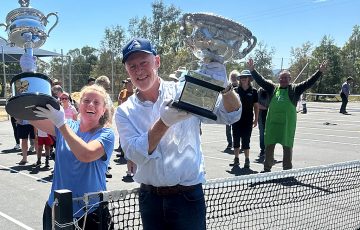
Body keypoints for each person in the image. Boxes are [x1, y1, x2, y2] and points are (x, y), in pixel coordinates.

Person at [115, 37, 241, 230]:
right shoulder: (125, 111)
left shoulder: (183, 92)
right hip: (151, 200)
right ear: (127, 70)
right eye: (132, 66)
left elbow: (230, 114)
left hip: (188, 198)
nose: (139, 71)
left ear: (157, 62)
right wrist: (164, 122)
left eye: (144, 63)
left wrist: (225, 88)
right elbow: (134, 154)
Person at [28, 84, 115, 230]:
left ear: (103, 109)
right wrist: (28, 89)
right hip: (56, 208)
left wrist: (61, 123)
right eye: (86, 101)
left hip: (90, 213)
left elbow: (85, 154)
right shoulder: (68, 126)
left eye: (96, 102)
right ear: (79, 105)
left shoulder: (106, 134)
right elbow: (31, 115)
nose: (91, 105)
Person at [247, 58, 328, 172]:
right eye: (281, 78)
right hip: (272, 123)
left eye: (286, 78)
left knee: (287, 146)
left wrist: (319, 72)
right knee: (269, 145)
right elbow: (261, 81)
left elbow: (309, 82)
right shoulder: (273, 88)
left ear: (290, 79)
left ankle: (287, 169)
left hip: (287, 124)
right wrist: (252, 70)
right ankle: (267, 168)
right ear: (278, 79)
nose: (283, 79)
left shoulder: (295, 89)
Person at [230, 70, 259, 168]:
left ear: (249, 79)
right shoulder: (235, 90)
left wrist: (256, 119)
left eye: (245, 77)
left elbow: (256, 106)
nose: (243, 79)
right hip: (236, 120)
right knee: (236, 139)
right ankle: (236, 159)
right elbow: (230, 104)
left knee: (246, 140)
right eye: (242, 77)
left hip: (248, 120)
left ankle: (247, 160)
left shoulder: (254, 91)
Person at [115, 78, 136, 179]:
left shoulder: (136, 93)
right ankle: (129, 170)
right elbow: (119, 104)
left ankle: (134, 170)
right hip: (124, 120)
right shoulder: (123, 92)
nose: (126, 85)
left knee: (134, 148)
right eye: (126, 83)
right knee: (126, 144)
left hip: (133, 121)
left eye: (128, 83)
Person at [95, 75, 114, 179]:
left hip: (106, 127)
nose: (107, 89)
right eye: (106, 86)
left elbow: (111, 109)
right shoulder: (96, 95)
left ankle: (105, 168)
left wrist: (109, 122)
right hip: (96, 127)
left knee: (105, 150)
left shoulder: (106, 96)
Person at [225, 70, 240, 150]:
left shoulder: (240, 87)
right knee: (228, 129)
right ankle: (230, 143)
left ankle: (237, 143)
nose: (233, 78)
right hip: (228, 111)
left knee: (236, 129)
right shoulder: (228, 86)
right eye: (232, 77)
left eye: (235, 77)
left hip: (237, 112)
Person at [257, 87, 270, 158]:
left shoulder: (271, 91)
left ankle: (269, 150)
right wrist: (266, 108)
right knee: (262, 133)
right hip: (261, 116)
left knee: (270, 133)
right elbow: (256, 103)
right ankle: (262, 149)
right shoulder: (260, 91)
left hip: (270, 116)